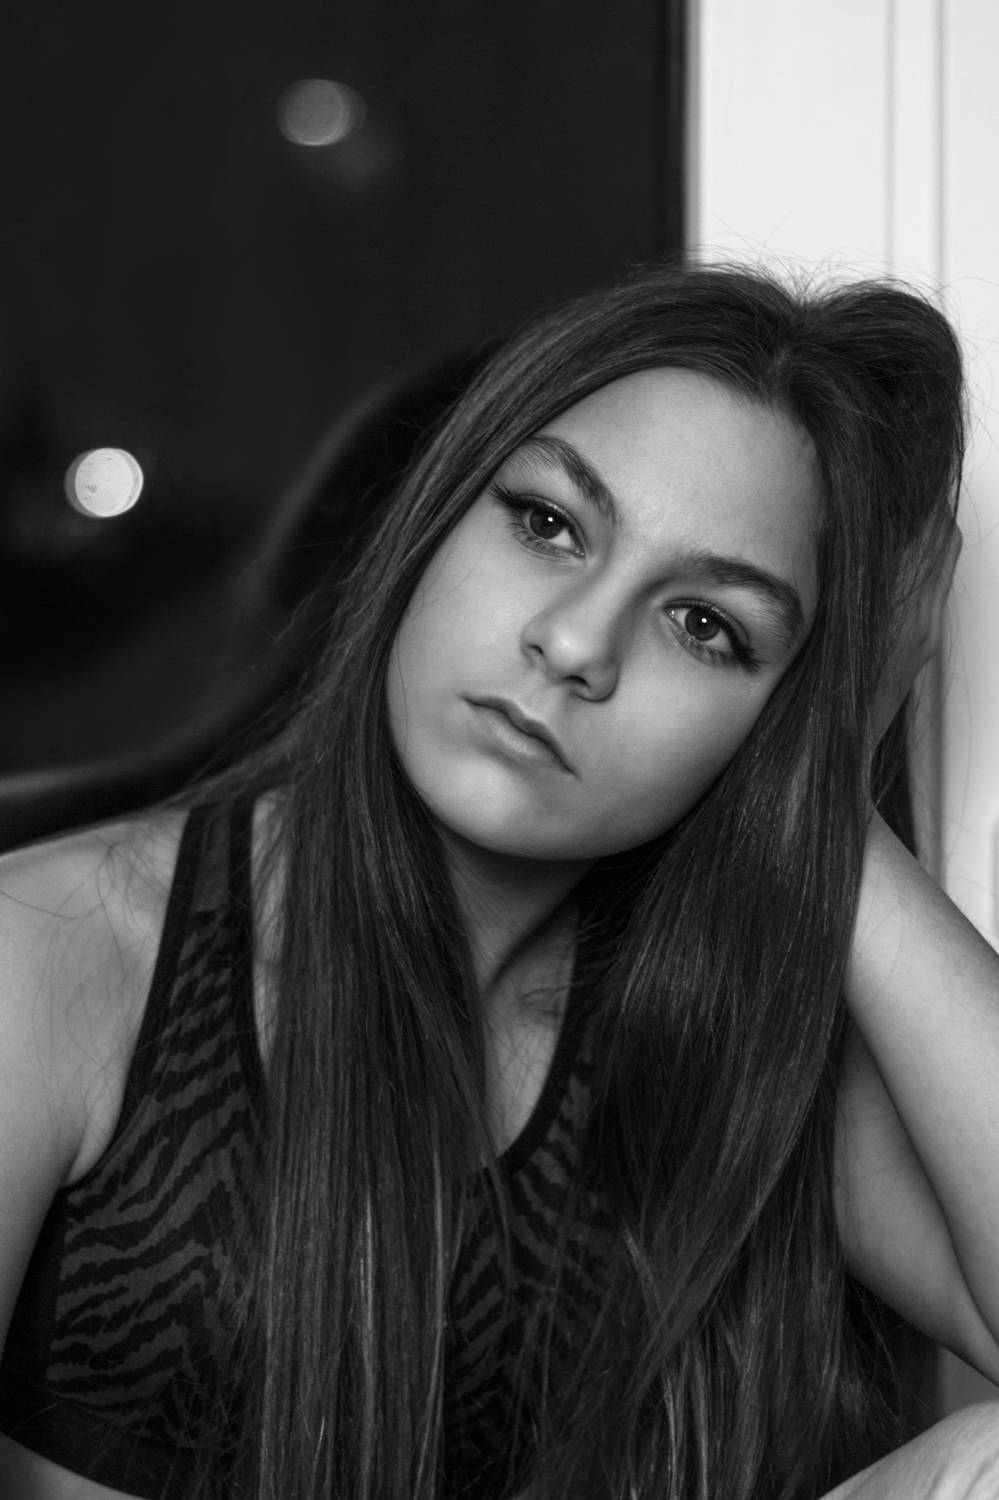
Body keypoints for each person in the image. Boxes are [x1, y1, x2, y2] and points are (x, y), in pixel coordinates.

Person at [1, 260, 998, 1500]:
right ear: (436, 515)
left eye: (706, 626)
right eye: (547, 524)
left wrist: (823, 791)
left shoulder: (704, 1033)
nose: (575, 644)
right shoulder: (53, 947)